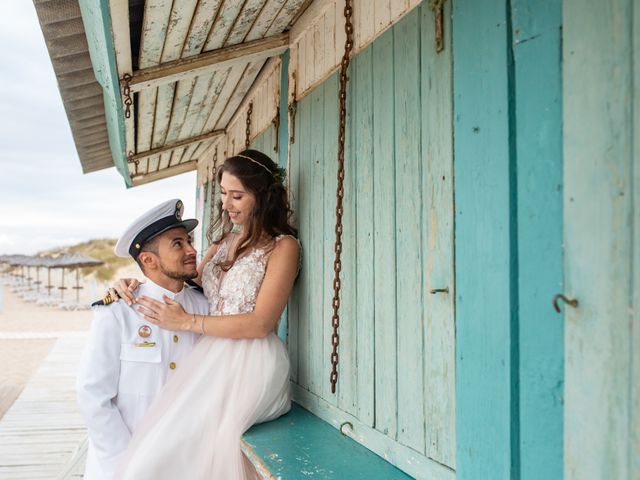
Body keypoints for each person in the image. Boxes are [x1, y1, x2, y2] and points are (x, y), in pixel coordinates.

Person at [111, 149, 300, 479]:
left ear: (263, 196)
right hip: (208, 358)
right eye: (224, 193)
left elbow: (261, 323)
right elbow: (180, 282)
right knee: (158, 451)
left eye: (237, 195)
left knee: (199, 443)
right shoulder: (223, 243)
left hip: (251, 361)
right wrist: (132, 283)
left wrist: (186, 322)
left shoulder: (283, 247)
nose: (226, 204)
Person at [76, 199, 209, 480]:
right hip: (125, 464)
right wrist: (127, 465)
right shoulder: (118, 310)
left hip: (186, 462)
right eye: (178, 244)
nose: (192, 250)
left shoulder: (204, 308)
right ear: (148, 260)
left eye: (188, 241)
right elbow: (93, 395)